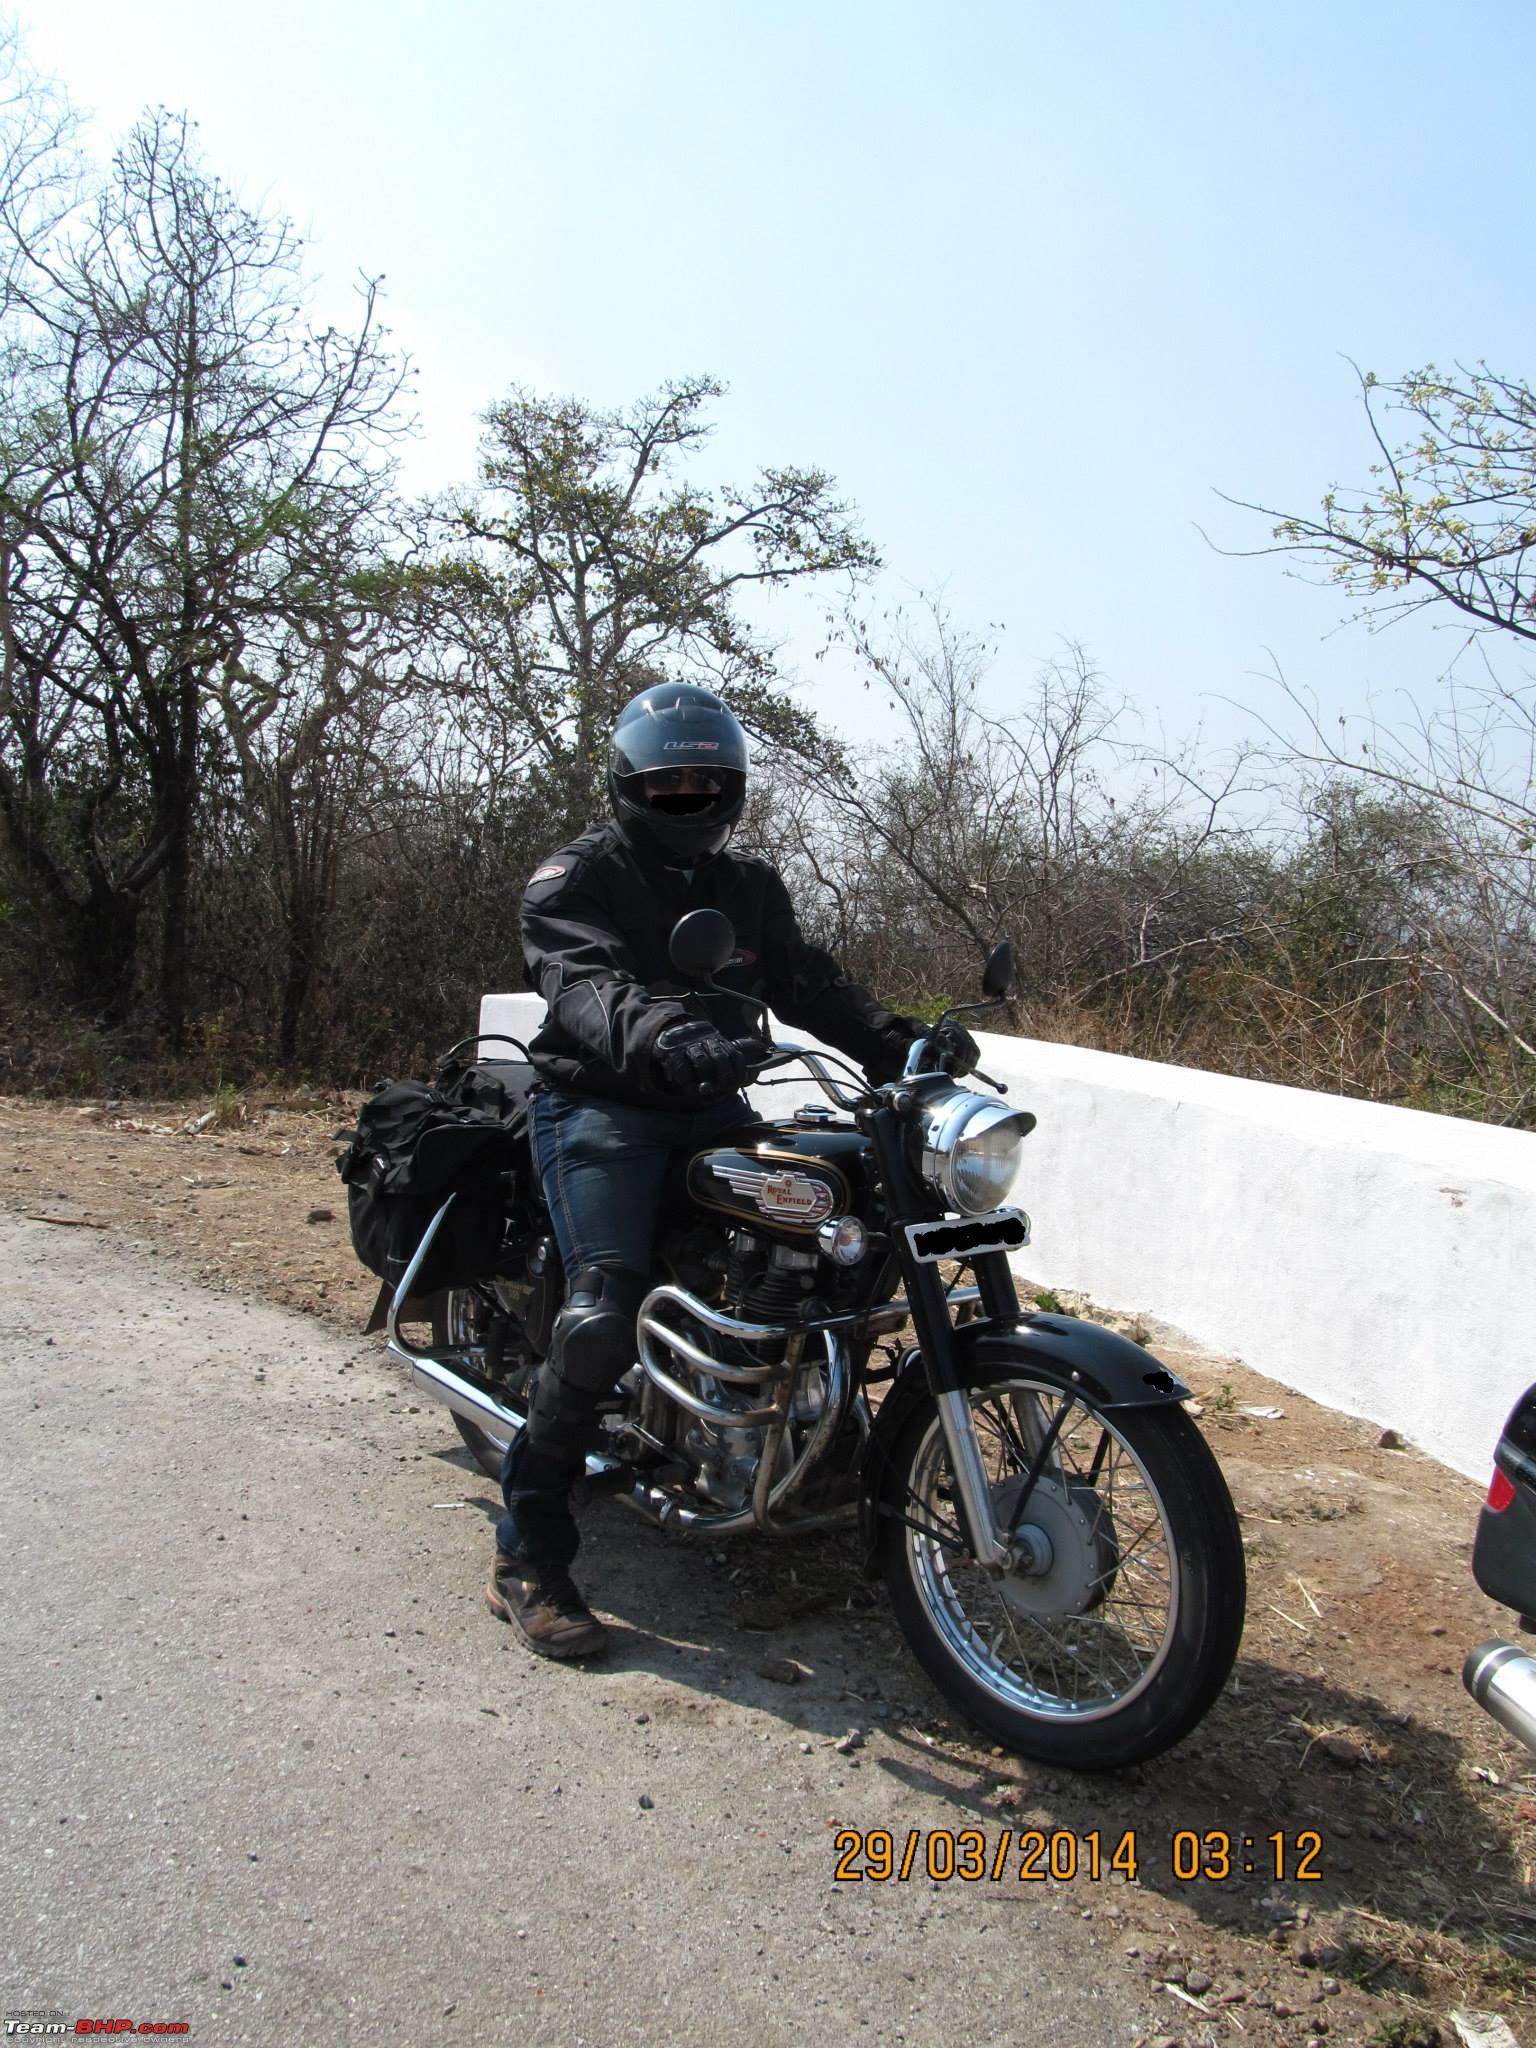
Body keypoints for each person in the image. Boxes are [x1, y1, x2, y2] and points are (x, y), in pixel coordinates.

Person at [486, 680, 976, 1658]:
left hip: (711, 1106)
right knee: (600, 1313)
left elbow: (808, 982)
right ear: (630, 784)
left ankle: (809, 1452)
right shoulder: (572, 875)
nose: (689, 797)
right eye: (668, 782)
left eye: (707, 782)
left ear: (735, 788)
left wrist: (902, 1041)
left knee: (832, 1249)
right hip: (600, 1106)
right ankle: (529, 1549)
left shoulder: (750, 886)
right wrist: (660, 1032)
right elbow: (585, 984)